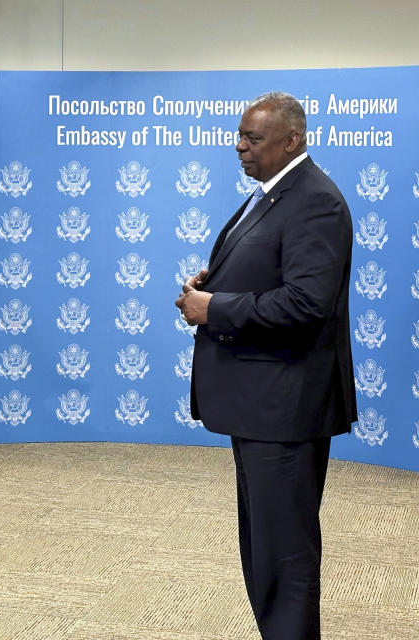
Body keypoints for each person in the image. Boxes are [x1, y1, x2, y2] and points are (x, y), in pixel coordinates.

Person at [175, 91, 356, 640]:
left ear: (292, 140)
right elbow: (269, 273)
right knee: (264, 552)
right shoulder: (270, 196)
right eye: (239, 135)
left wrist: (217, 308)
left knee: (284, 558)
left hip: (286, 409)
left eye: (252, 138)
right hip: (261, 407)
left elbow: (307, 303)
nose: (239, 147)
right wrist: (214, 286)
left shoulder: (316, 201)